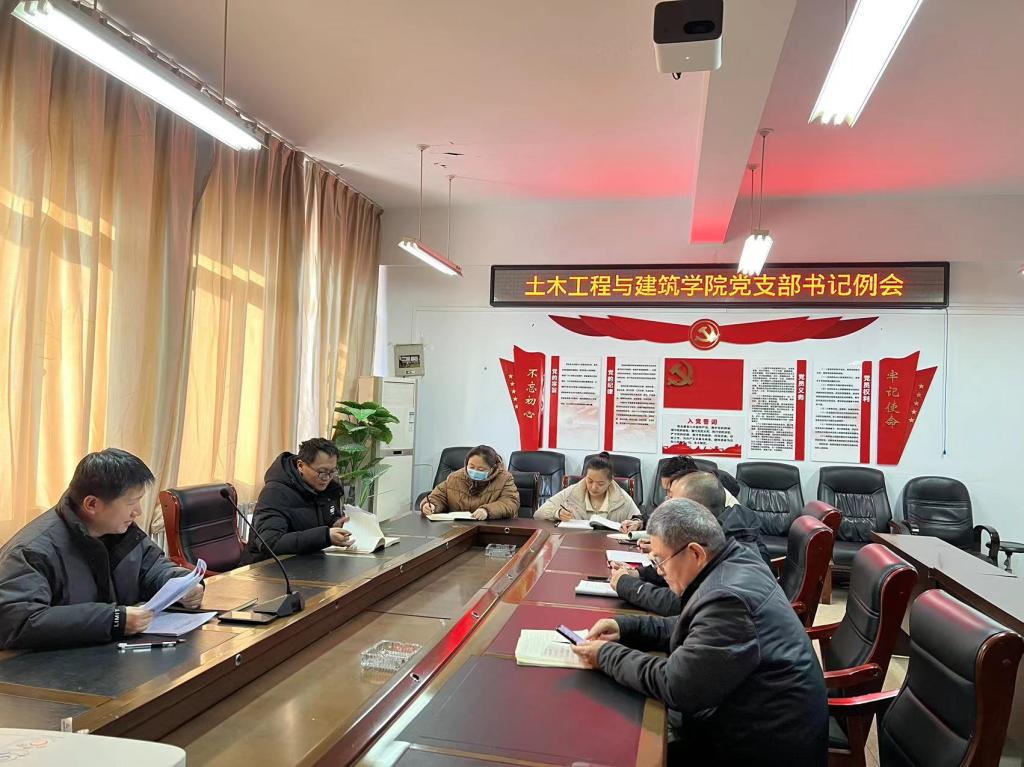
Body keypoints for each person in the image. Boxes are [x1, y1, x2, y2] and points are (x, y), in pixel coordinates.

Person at [572, 500, 827, 766]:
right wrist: (626, 628)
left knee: (607, 749)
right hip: (750, 720)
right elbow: (693, 626)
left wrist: (606, 655)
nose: (659, 570)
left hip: (759, 748)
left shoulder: (728, 600)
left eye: (660, 560)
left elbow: (676, 685)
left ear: (695, 553)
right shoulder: (738, 560)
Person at [0, 449, 204, 650]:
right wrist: (112, 620)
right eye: (132, 503)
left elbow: (151, 567)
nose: (138, 511)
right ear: (92, 504)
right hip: (49, 667)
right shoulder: (31, 551)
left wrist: (181, 584)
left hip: (108, 654)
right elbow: (19, 622)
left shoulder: (119, 530)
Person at [612, 471, 772, 615]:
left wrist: (628, 585)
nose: (666, 504)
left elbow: (681, 603)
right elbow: (680, 568)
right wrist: (639, 574)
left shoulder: (723, 544)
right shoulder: (716, 526)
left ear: (695, 509)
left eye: (674, 501)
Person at [246, 437, 353, 562]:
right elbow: (270, 543)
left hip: (309, 562)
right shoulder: (275, 492)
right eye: (322, 472)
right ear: (301, 465)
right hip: (270, 567)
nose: (327, 478)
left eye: (332, 471)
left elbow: (315, 524)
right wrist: (325, 536)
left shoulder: (327, 488)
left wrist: (334, 524)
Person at [534, 452, 642, 523]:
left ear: (610, 481)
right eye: (590, 481)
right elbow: (538, 513)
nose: (594, 487)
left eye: (600, 483)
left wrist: (635, 524)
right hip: (577, 543)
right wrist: (557, 513)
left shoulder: (622, 498)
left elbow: (638, 519)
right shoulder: (572, 492)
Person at [419, 445, 519, 520]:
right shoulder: (455, 477)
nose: (475, 471)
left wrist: (487, 511)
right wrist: (431, 505)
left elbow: (510, 503)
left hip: (490, 527)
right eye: (471, 467)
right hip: (458, 528)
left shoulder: (505, 478)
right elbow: (439, 496)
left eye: (480, 469)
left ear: (492, 468)